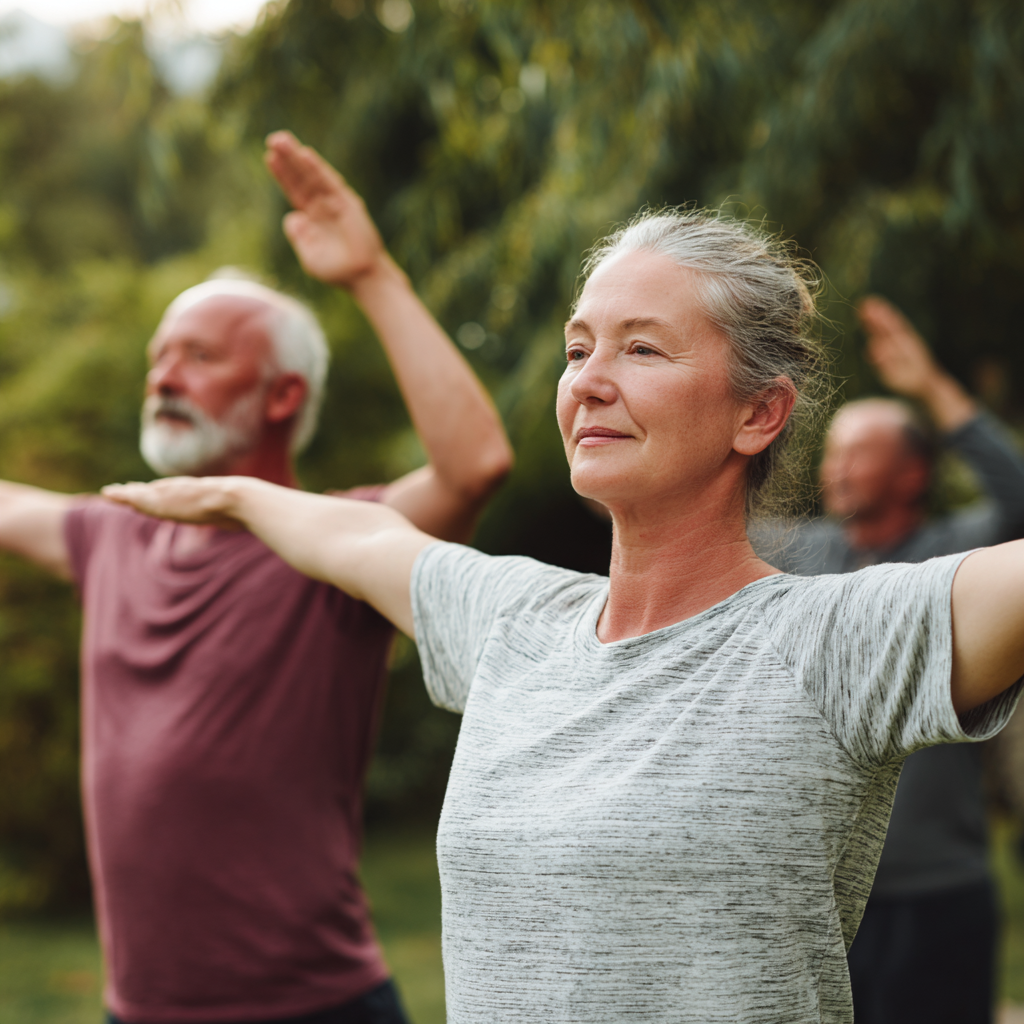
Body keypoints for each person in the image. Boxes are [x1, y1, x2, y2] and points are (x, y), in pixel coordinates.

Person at [105, 209, 1024, 1024]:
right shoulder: (518, 624)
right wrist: (235, 494)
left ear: (759, 413)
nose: (587, 381)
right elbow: (357, 538)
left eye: (642, 349)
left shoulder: (833, 640)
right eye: (579, 349)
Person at [0, 132, 512, 1024]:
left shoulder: (340, 545)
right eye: (159, 356)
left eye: (200, 356)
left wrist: (370, 275)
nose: (164, 377)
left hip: (312, 1008)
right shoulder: (110, 531)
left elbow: (473, 465)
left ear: (282, 395)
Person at [759, 297, 1024, 1024]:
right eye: (831, 451)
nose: (834, 467)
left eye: (858, 452)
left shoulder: (958, 557)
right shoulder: (795, 554)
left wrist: (931, 386)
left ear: (912, 473)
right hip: (815, 898)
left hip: (937, 894)